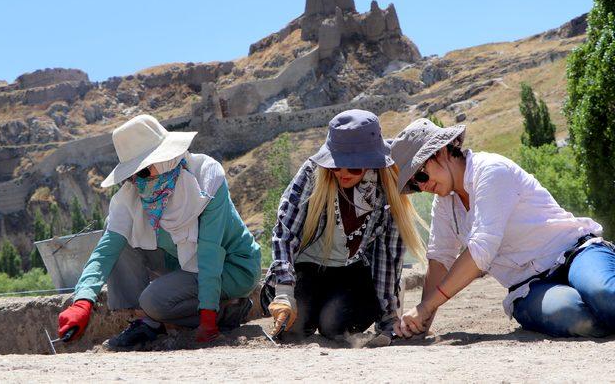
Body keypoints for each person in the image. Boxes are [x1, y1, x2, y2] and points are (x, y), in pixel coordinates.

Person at [390, 118, 615, 338]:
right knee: (576, 318)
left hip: (575, 253)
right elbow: (440, 259)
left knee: (604, 294)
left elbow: (481, 250)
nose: (422, 185)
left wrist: (426, 306)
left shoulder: (491, 170)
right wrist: (421, 321)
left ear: (441, 152)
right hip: (529, 287)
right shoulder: (443, 204)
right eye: (414, 185)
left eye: (420, 174)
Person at [57, 114, 261, 349]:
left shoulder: (206, 178)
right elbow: (106, 251)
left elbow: (210, 252)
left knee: (154, 301)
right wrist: (82, 301)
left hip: (232, 266)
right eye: (130, 175)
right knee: (113, 228)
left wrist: (207, 319)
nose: (136, 181)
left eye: (142, 172)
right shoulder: (133, 195)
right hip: (183, 265)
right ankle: (144, 322)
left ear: (166, 158)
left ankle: (225, 313)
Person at [262, 109, 425, 345]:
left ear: (371, 163)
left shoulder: (387, 187)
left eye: (354, 168)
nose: (343, 174)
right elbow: (285, 233)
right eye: (336, 166)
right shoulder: (311, 173)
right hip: (305, 269)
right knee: (294, 327)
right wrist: (284, 292)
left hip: (353, 274)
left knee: (334, 325)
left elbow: (387, 257)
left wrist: (388, 319)